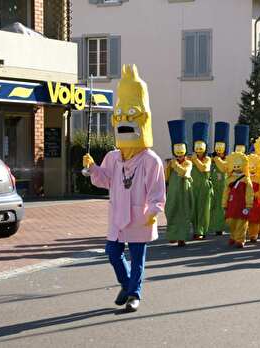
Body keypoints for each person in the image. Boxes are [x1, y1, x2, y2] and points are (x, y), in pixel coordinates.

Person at [82, 64, 166, 312]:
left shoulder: (151, 160)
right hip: (117, 218)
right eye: (120, 115)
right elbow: (104, 179)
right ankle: (127, 284)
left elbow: (157, 191)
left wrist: (152, 211)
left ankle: (134, 295)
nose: (124, 121)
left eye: (131, 115)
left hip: (140, 217)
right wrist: (92, 168)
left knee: (138, 259)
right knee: (112, 253)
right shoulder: (113, 157)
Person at [165, 120, 193, 247]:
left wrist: (175, 164)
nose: (180, 156)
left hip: (184, 191)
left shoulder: (188, 162)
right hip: (173, 191)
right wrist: (167, 167)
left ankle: (182, 237)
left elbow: (184, 173)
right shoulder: (171, 163)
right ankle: (173, 235)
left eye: (182, 153)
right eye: (177, 152)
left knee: (184, 213)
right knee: (171, 211)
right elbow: (166, 177)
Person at [222, 152, 254, 248]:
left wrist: (249, 205)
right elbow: (226, 193)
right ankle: (233, 236)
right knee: (231, 221)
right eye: (234, 165)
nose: (236, 167)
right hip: (232, 204)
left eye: (238, 165)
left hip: (242, 204)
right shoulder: (229, 179)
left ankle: (240, 239)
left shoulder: (246, 179)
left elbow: (249, 193)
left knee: (241, 221)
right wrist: (224, 204)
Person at [191, 122, 214, 239]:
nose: (199, 149)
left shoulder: (208, 159)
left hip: (204, 187)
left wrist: (195, 160)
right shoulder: (191, 159)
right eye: (197, 147)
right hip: (193, 186)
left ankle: (201, 230)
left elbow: (204, 168)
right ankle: (195, 229)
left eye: (201, 147)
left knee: (203, 209)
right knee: (193, 209)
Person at [209, 122, 230, 236]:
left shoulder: (227, 160)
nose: (218, 150)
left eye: (221, 147)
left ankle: (220, 227)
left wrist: (216, 159)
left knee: (222, 207)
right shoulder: (211, 159)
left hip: (223, 187)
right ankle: (213, 226)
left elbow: (224, 168)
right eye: (217, 147)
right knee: (213, 207)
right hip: (213, 187)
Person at [247, 154, 260, 243]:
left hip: (256, 202)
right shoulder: (245, 178)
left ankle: (253, 235)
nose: (252, 169)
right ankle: (244, 234)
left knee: (255, 219)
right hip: (245, 202)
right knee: (245, 218)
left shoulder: (259, 179)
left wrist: (255, 194)